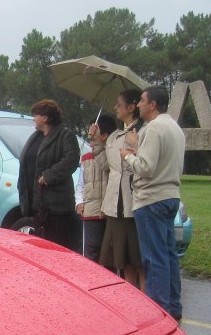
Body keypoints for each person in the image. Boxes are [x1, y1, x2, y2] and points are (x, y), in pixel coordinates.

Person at [121, 85, 186, 322]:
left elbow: (146, 168)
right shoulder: (175, 128)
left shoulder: (153, 128)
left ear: (153, 104)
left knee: (153, 257)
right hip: (171, 195)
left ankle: (160, 310)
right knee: (168, 254)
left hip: (151, 198)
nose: (138, 105)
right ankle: (173, 305)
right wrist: (139, 147)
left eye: (141, 101)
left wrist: (127, 154)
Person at [17, 99, 80, 251]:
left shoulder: (65, 135)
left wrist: (48, 176)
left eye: (36, 115)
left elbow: (71, 160)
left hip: (56, 206)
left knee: (56, 247)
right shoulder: (36, 136)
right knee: (39, 247)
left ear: (45, 117)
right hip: (37, 204)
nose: (33, 118)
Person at [99, 90, 146, 289]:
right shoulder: (114, 137)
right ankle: (131, 295)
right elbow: (105, 166)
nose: (115, 108)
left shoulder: (142, 132)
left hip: (133, 202)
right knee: (122, 257)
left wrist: (135, 150)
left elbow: (145, 165)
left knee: (138, 257)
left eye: (119, 104)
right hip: (115, 203)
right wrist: (97, 141)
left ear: (131, 107)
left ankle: (145, 296)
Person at [75, 114, 116, 262]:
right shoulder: (86, 158)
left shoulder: (113, 155)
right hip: (91, 210)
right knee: (90, 250)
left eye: (95, 132)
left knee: (109, 253)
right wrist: (79, 201)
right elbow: (81, 184)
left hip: (109, 211)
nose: (91, 137)